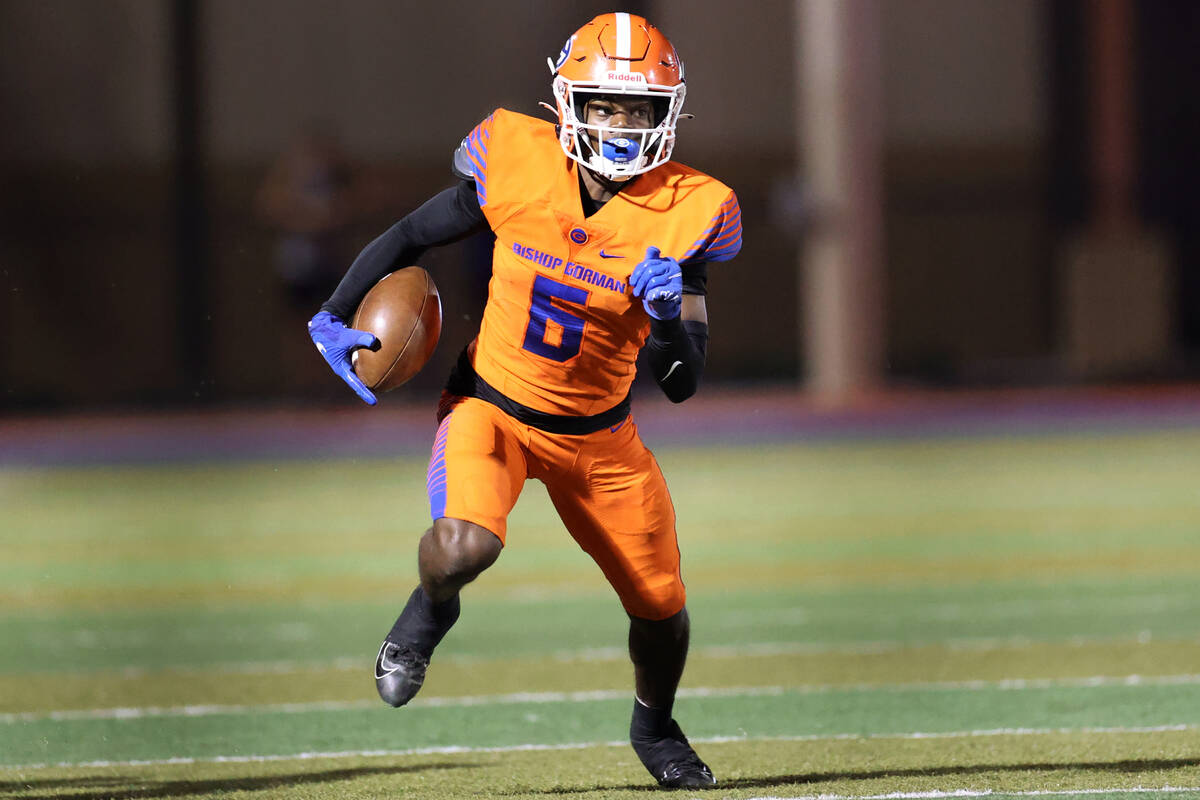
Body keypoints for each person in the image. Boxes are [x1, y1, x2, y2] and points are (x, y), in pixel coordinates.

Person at [307, 12, 741, 789]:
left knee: (662, 609)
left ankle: (655, 726)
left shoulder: (689, 210)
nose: (618, 123)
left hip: (601, 437)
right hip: (494, 406)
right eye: (604, 104)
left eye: (636, 109)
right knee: (462, 547)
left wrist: (672, 319)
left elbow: (682, 382)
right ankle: (429, 613)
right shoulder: (518, 163)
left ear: (665, 114)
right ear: (570, 102)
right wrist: (334, 310)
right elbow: (412, 233)